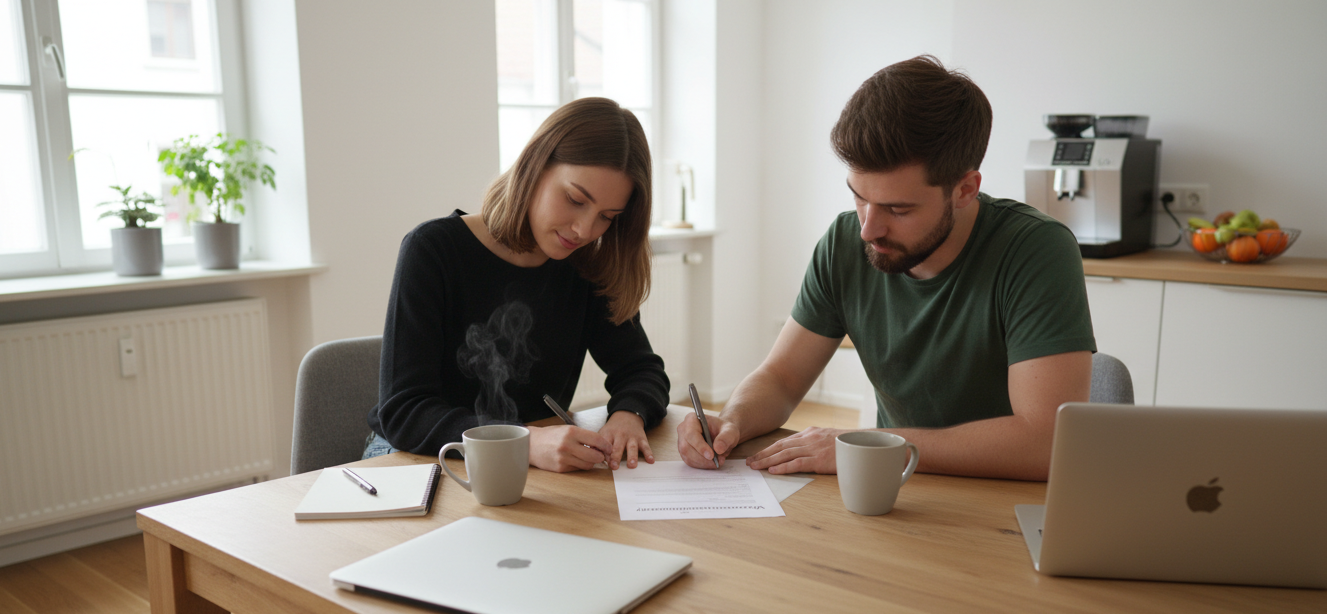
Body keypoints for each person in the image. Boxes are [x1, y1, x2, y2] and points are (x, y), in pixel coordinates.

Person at [678, 55, 1095, 482]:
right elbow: (782, 377)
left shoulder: (1035, 250)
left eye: (898, 208)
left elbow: (1043, 442)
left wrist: (871, 447)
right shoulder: (844, 242)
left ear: (965, 190)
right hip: (892, 487)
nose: (868, 229)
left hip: (1003, 502)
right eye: (859, 197)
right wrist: (733, 421)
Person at [365, 97, 669, 476]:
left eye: (607, 217)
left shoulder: (587, 266)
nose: (585, 230)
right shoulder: (433, 250)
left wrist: (629, 414)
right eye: (575, 199)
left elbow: (642, 370)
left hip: (527, 465)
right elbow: (404, 411)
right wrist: (522, 441)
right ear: (535, 166)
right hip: (416, 457)